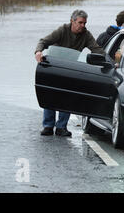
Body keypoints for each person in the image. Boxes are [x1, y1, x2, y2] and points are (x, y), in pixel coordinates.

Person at [35, 9, 105, 137]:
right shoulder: (62, 30)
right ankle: (48, 126)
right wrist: (38, 52)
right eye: (80, 23)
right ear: (72, 21)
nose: (83, 26)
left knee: (67, 97)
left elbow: (97, 49)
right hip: (54, 67)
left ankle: (61, 126)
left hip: (70, 69)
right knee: (50, 94)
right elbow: (43, 41)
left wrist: (109, 61)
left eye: (85, 23)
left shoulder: (86, 35)